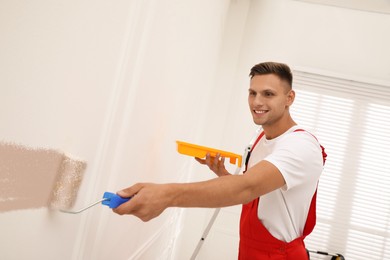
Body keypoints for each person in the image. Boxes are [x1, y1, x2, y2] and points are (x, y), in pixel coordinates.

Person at [113, 62, 326, 259]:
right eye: (252, 93)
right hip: (250, 249)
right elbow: (258, 194)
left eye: (268, 94)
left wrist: (166, 195)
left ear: (289, 98)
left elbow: (248, 187)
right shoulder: (260, 138)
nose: (257, 102)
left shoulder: (301, 146)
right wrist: (223, 175)